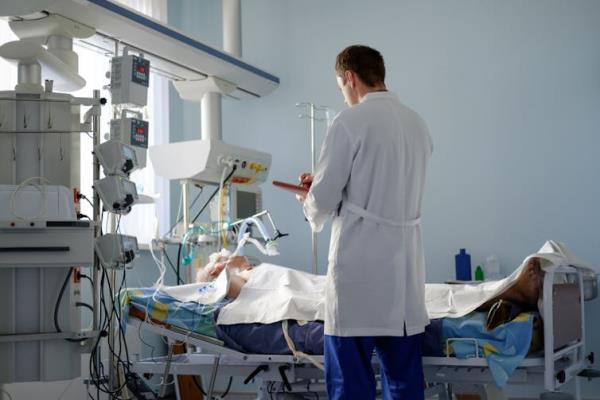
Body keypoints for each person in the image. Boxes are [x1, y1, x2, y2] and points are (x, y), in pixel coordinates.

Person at [296, 45, 434, 399]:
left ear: (350, 78)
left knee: (351, 386)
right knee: (404, 384)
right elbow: (383, 189)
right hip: (404, 280)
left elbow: (323, 201)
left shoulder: (349, 122)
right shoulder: (418, 124)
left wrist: (308, 200)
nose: (343, 95)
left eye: (341, 87)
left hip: (359, 277)